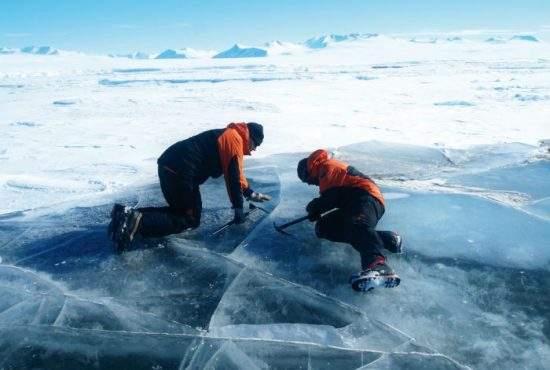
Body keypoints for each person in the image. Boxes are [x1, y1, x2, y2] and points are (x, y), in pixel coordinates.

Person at [108, 122, 271, 252]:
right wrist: (238, 210)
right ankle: (137, 222)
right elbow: (233, 178)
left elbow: (237, 174)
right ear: (250, 137)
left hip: (172, 167)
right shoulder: (234, 140)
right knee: (188, 218)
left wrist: (250, 193)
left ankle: (127, 215)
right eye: (255, 144)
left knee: (184, 212)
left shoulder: (232, 136)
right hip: (179, 171)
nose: (254, 149)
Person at [297, 149, 402, 292]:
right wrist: (316, 211)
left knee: (357, 225)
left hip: (367, 198)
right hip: (352, 204)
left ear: (308, 172)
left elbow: (330, 198)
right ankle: (386, 238)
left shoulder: (327, 168)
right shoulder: (324, 172)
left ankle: (379, 266)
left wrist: (314, 208)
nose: (310, 184)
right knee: (324, 227)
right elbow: (331, 199)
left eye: (307, 180)